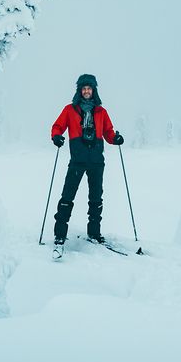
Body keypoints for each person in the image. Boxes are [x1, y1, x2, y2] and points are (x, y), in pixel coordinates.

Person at [50, 74, 124, 249]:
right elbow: (58, 126)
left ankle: (94, 233)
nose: (86, 91)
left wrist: (116, 138)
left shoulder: (101, 112)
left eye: (89, 88)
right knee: (67, 196)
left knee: (96, 199)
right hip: (78, 160)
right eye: (83, 88)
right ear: (79, 90)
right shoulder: (70, 109)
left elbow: (108, 132)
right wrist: (57, 136)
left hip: (97, 161)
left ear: (94, 90)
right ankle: (60, 234)